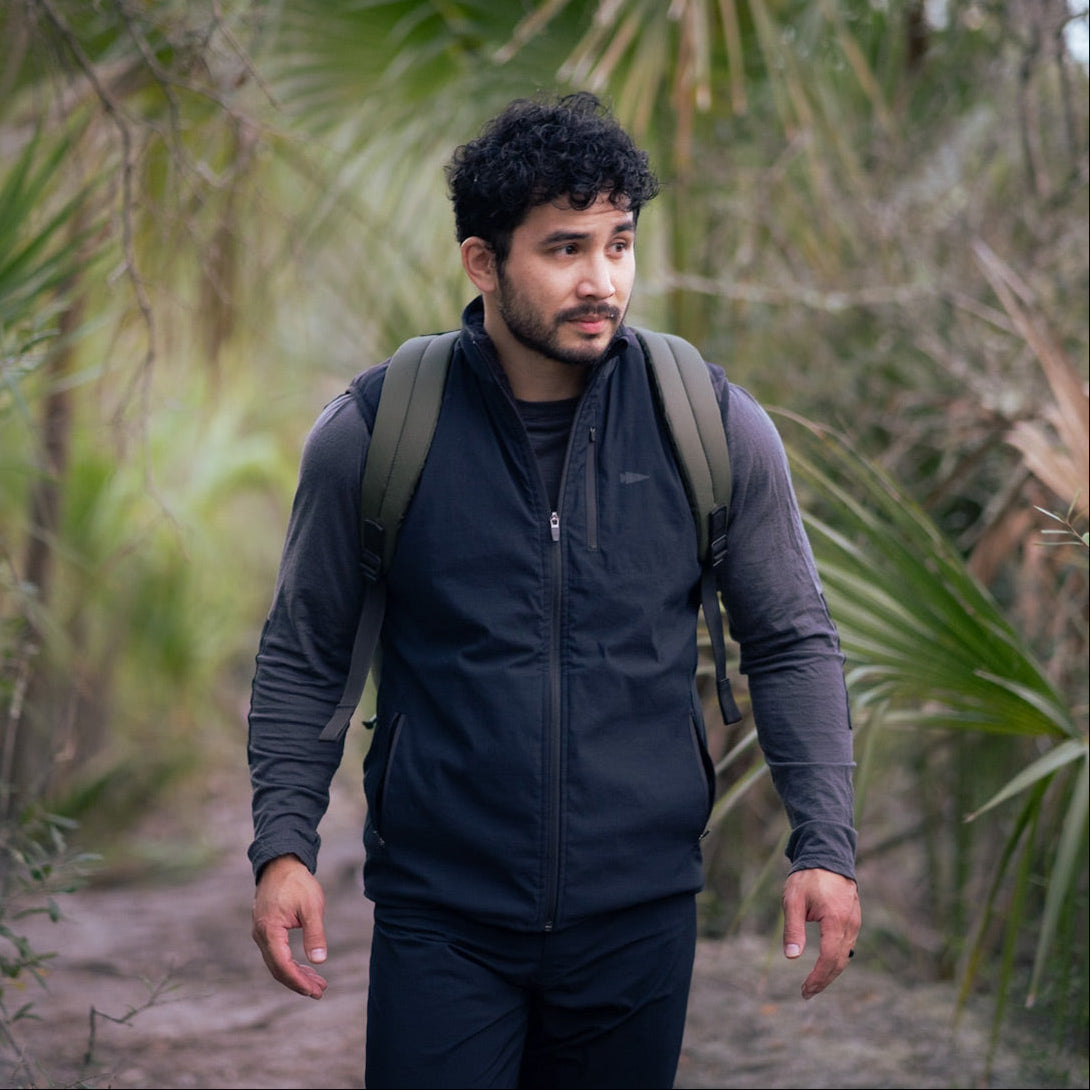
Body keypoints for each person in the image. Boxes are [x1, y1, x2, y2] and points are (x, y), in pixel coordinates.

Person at [248, 91, 861, 1089]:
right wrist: (283, 844)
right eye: (565, 248)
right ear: (483, 262)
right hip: (441, 918)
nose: (600, 280)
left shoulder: (707, 424)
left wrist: (825, 842)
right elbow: (304, 650)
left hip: (639, 918)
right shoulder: (374, 433)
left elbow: (790, 637)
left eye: (618, 245)